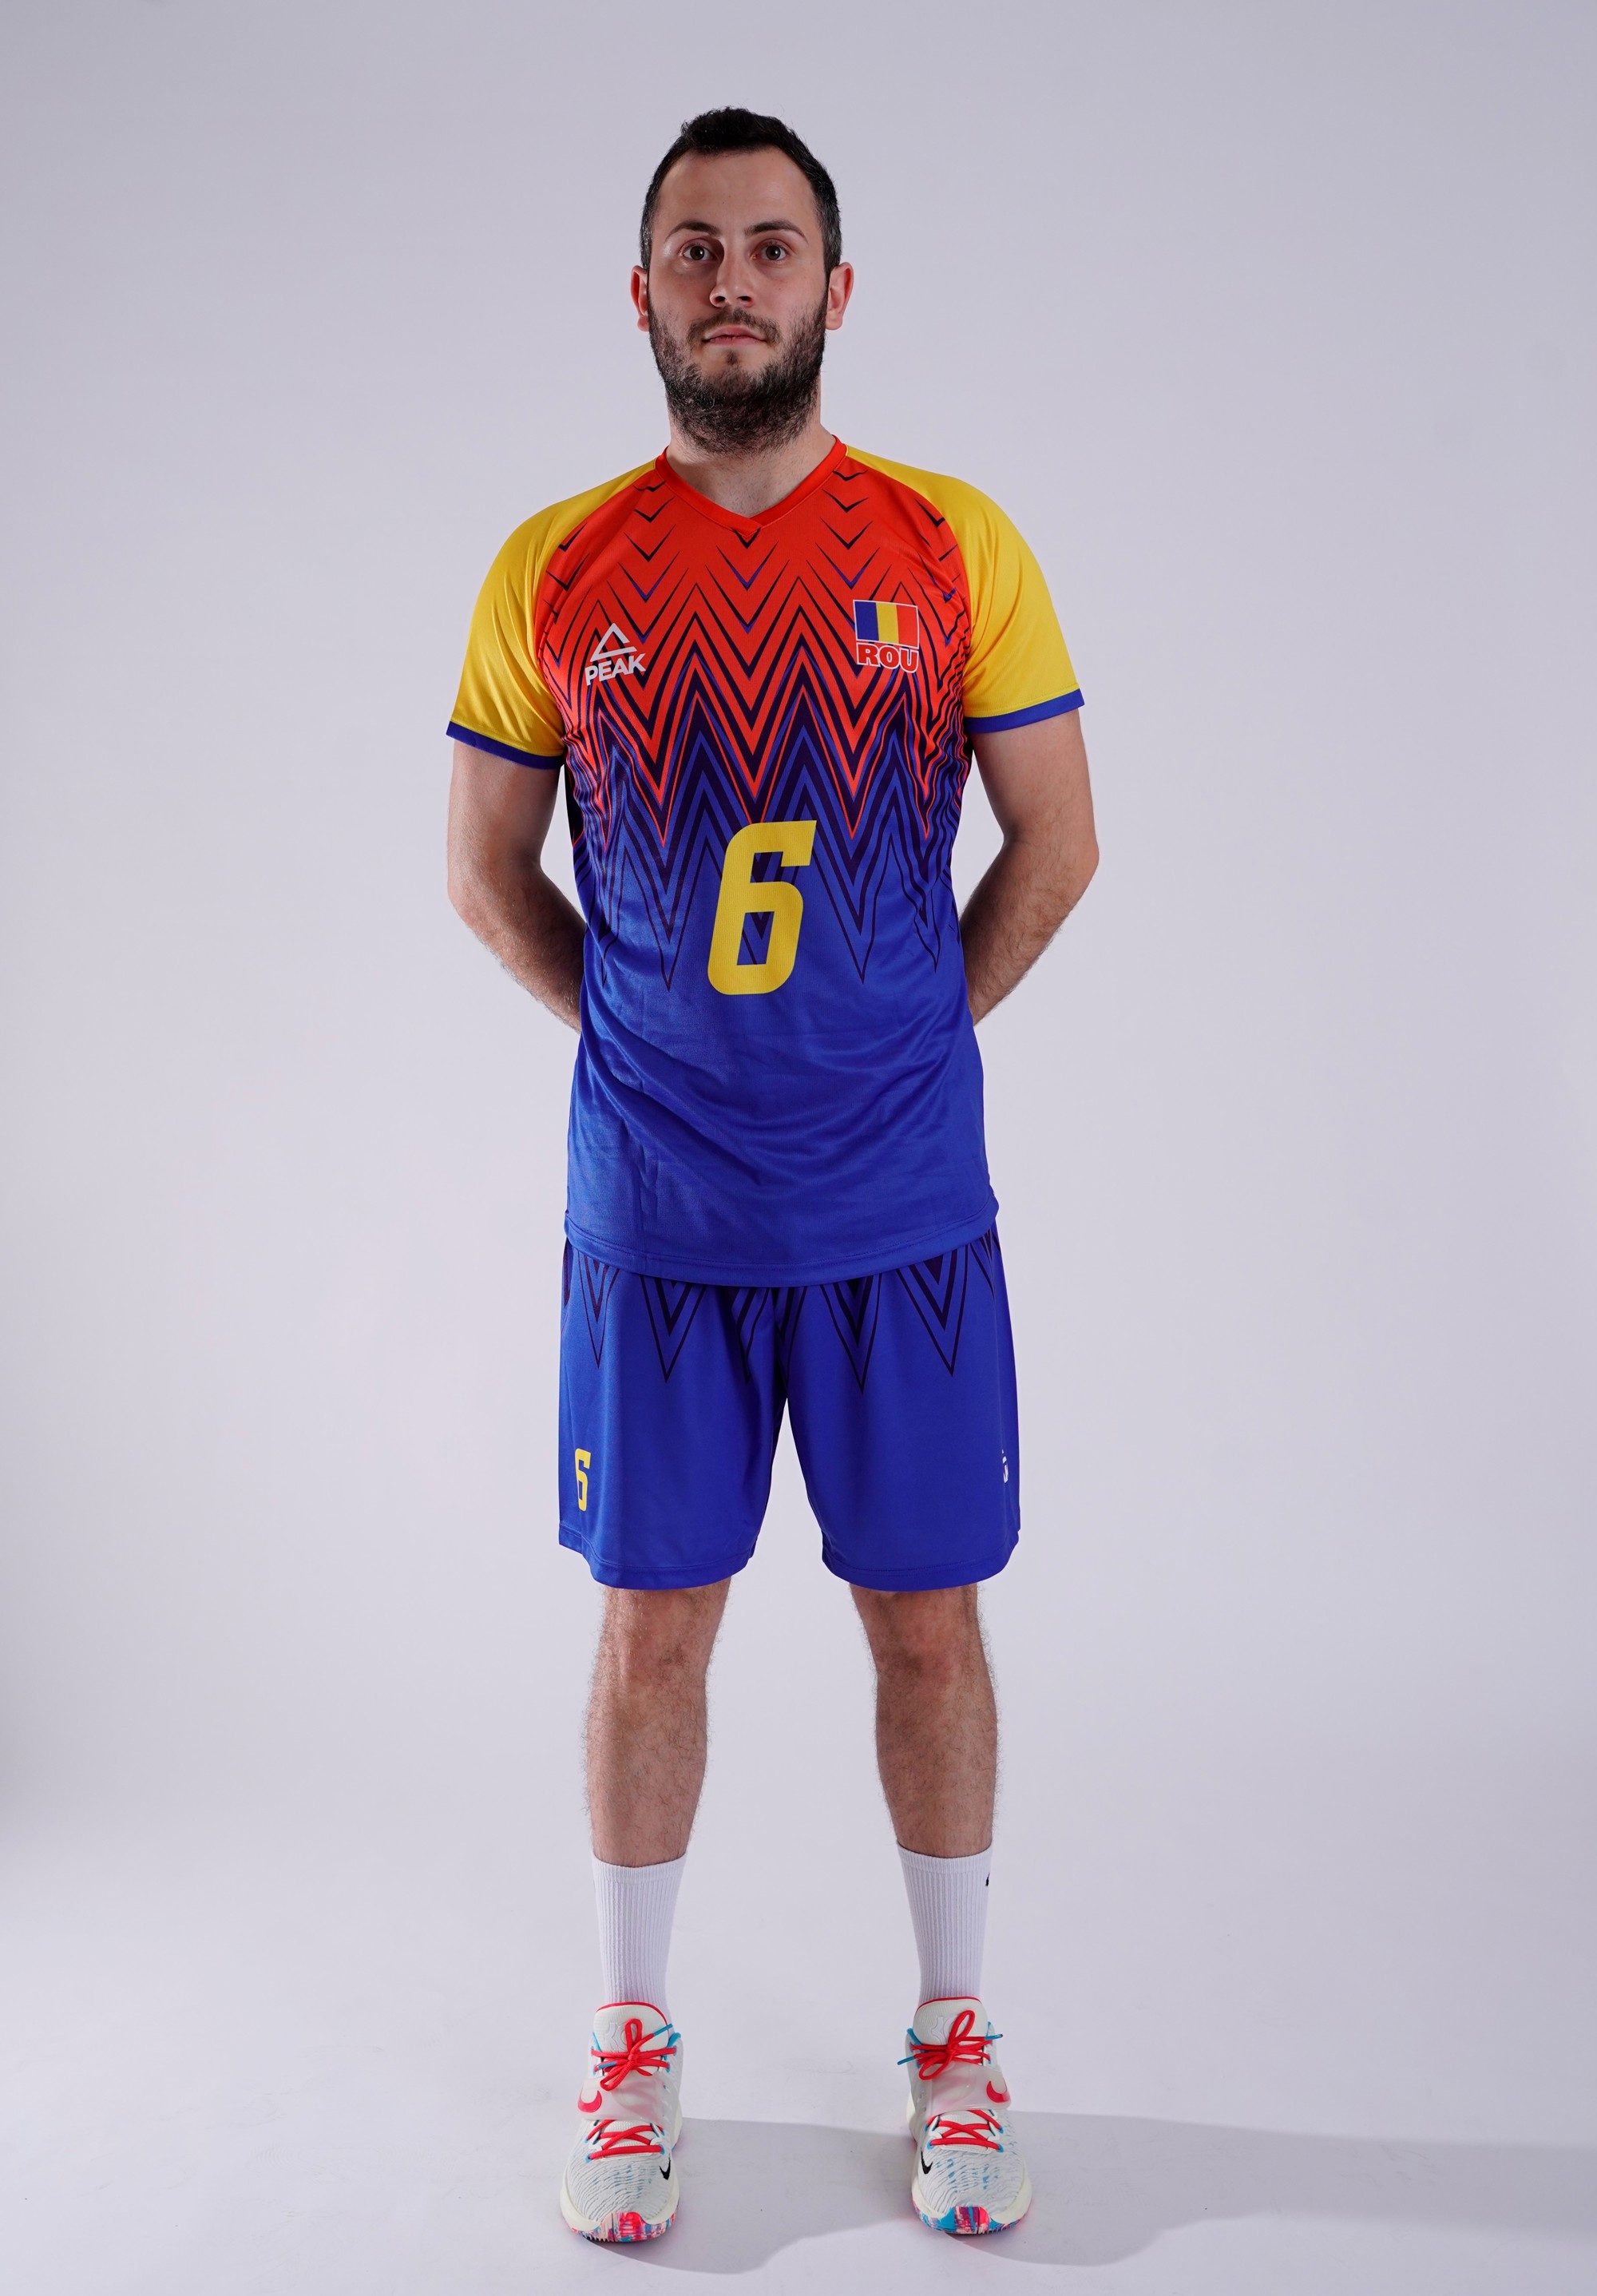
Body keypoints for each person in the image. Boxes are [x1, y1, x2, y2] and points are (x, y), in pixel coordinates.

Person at [445, 106, 1098, 2245]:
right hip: (662, 1223)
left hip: (903, 1215)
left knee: (932, 1623)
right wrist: (646, 1045)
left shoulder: (953, 544)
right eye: (696, 247)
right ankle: (634, 2041)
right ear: (642, 294)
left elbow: (1061, 840)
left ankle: (955, 2032)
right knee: (654, 1628)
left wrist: (904, 1039)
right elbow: (484, 873)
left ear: (836, 287)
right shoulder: (555, 567)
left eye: (773, 244)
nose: (734, 277)